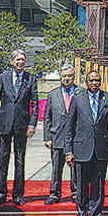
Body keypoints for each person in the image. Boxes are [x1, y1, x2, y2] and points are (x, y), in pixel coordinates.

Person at [65, 70, 108, 216]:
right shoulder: (77, 99)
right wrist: (68, 151)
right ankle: (82, 213)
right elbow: (69, 126)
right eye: (91, 80)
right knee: (81, 186)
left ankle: (95, 214)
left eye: (97, 80)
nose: (94, 83)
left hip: (101, 150)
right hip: (81, 149)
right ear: (86, 83)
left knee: (98, 185)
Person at [0, 49, 38, 207]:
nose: (20, 62)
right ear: (12, 61)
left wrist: (32, 123)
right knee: (3, 161)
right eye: (17, 59)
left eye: (23, 59)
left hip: (21, 125)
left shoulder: (31, 79)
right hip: (4, 125)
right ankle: (1, 194)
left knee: (19, 162)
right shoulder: (3, 77)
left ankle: (18, 195)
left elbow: (35, 103)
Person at [44, 65, 82, 204]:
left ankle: (76, 193)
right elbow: (47, 117)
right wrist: (47, 137)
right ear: (60, 77)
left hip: (76, 138)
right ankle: (55, 193)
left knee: (75, 169)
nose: (67, 78)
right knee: (56, 168)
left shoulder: (81, 92)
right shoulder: (52, 94)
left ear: (74, 76)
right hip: (57, 137)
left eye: (69, 76)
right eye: (64, 76)